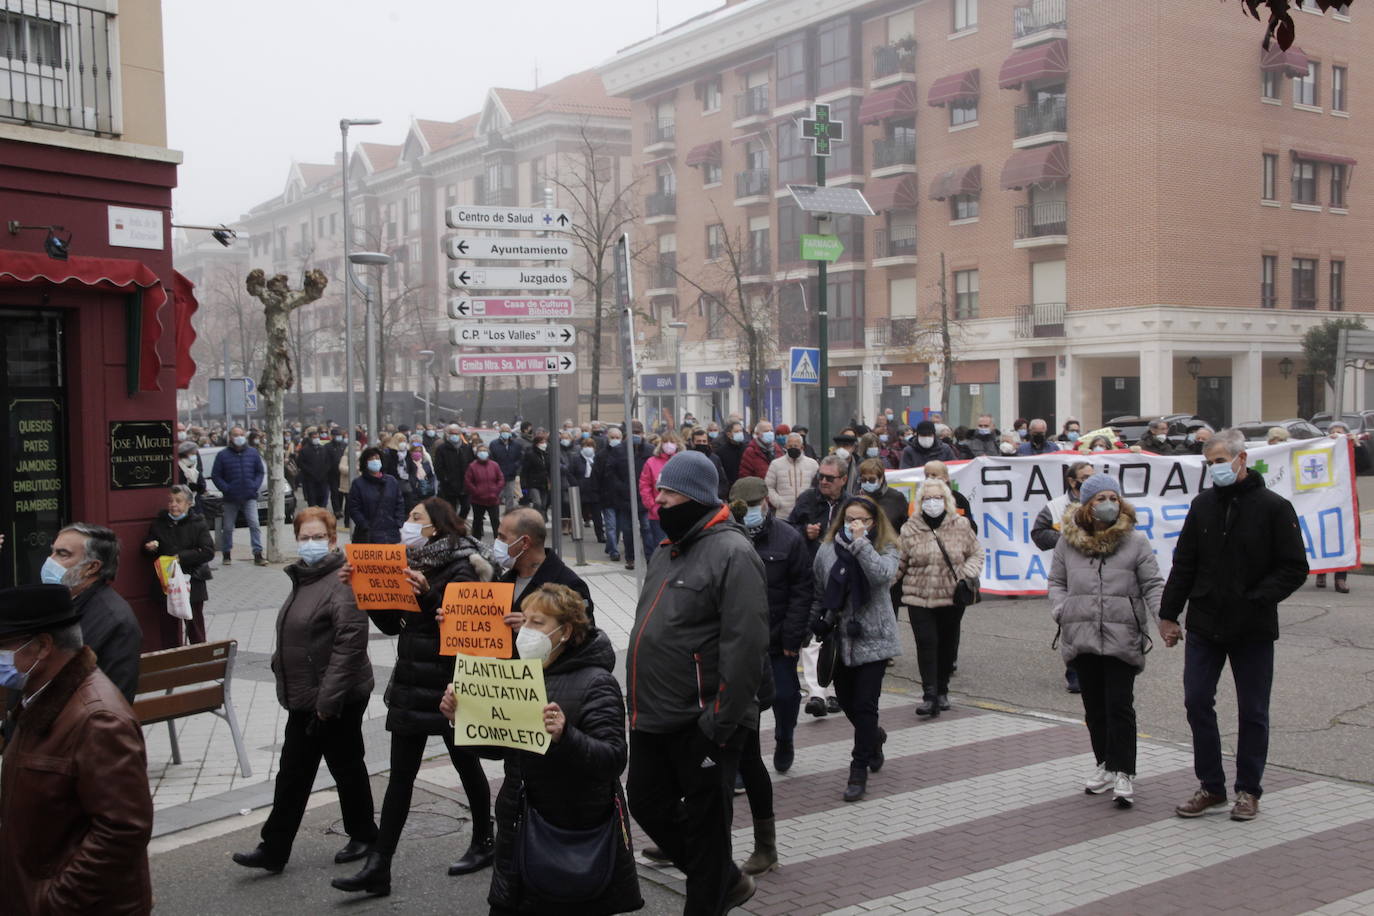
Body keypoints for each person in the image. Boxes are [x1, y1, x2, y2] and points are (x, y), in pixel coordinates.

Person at [439, 585, 643, 915]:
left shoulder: (596, 682)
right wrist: (459, 719)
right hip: (518, 825)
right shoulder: (522, 676)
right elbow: (503, 746)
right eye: (526, 621)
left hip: (570, 832)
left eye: (539, 622)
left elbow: (613, 759)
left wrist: (566, 735)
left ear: (567, 631)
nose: (526, 631)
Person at [626, 449, 767, 915]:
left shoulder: (734, 552)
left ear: (693, 496)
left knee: (708, 830)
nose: (658, 500)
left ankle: (711, 890)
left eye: (667, 492)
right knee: (645, 801)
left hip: (704, 720)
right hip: (655, 715)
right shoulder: (667, 550)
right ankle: (724, 879)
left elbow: (745, 646)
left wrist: (720, 723)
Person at [333, 498, 497, 896]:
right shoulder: (412, 563)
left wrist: (427, 597)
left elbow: (463, 630)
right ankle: (379, 866)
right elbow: (393, 624)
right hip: (410, 683)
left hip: (449, 687)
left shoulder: (463, 565)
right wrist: (366, 590)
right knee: (400, 778)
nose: (407, 523)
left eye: (415, 518)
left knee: (467, 764)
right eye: (407, 516)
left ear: (437, 525)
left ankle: (484, 840)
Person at [1160, 428, 1308, 822]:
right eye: (1209, 464)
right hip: (1206, 622)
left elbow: (1294, 568)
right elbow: (1185, 562)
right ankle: (1212, 786)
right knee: (1196, 700)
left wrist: (1257, 597)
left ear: (1242, 460)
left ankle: (1249, 791)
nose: (1215, 470)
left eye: (1220, 462)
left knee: (1253, 710)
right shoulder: (1202, 505)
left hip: (1253, 628)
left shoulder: (1274, 507)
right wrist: (1168, 614)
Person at [233, 508, 377, 873]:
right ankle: (276, 848)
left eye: (318, 537)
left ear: (333, 540)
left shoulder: (343, 581)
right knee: (296, 772)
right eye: (304, 537)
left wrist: (327, 703)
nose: (310, 544)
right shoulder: (306, 578)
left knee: (342, 767)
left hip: (335, 698)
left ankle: (362, 835)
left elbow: (350, 644)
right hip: (306, 696)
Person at [0, 584, 154, 915]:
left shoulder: (98, 719)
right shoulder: (38, 697)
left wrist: (54, 901)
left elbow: (123, 830)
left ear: (42, 646)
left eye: (2, 647)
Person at [1048, 475, 1163, 808]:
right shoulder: (1067, 542)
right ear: (1087, 505)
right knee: (1094, 708)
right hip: (1080, 634)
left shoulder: (1136, 541)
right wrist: (1062, 609)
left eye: (1113, 497)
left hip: (1122, 634)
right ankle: (1105, 764)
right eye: (1101, 498)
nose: (1109, 503)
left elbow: (1153, 584)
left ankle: (1124, 771)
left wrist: (1164, 619)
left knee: (1119, 705)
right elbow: (1056, 582)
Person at [723, 476, 808, 881]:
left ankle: (786, 736)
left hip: (774, 645)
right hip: (735, 653)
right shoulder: (723, 539)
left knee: (787, 699)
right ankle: (741, 768)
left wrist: (793, 637)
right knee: (739, 729)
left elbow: (801, 590)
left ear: (767, 503)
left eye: (755, 503)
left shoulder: (787, 539)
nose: (750, 510)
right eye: (744, 504)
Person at [809, 494, 902, 802]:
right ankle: (873, 737)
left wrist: (861, 544)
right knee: (848, 703)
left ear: (874, 522)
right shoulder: (826, 550)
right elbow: (820, 590)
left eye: (862, 520)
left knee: (865, 705)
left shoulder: (886, 546)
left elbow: (882, 577)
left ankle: (857, 770)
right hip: (841, 640)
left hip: (874, 638)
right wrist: (817, 621)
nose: (855, 525)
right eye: (850, 519)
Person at [897, 478, 984, 718]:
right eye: (927, 498)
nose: (932, 503)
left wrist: (965, 575)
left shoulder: (961, 525)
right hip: (918, 596)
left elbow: (976, 553)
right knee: (926, 643)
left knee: (946, 644)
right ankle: (929, 695)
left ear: (946, 500)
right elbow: (900, 563)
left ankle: (943, 689)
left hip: (951, 596)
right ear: (919, 502)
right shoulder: (909, 528)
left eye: (937, 498)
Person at [42, 523, 142, 702]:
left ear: (91, 567)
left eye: (62, 554)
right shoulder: (57, 604)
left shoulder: (115, 620)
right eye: (53, 551)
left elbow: (112, 701)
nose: (50, 560)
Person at [788, 455, 849, 717]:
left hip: (841, 576)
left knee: (839, 633)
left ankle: (835, 691)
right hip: (811, 575)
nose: (823, 481)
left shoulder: (851, 505)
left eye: (829, 478)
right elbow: (789, 530)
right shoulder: (807, 500)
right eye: (820, 477)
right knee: (812, 633)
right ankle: (816, 693)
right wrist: (805, 532)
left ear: (843, 480)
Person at [1030, 461, 1094, 692]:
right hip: (1071, 577)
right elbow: (1038, 533)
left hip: (1100, 575)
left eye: (1092, 476)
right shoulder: (1056, 507)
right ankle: (1075, 674)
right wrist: (1068, 541)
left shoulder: (1104, 503)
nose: (1089, 481)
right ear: (1072, 480)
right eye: (1085, 477)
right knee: (1074, 625)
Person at [142, 485, 216, 644]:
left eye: (178, 501)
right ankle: (172, 660)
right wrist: (150, 546)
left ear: (189, 504)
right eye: (170, 501)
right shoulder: (160, 523)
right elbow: (148, 546)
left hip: (192, 580)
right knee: (168, 627)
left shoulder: (198, 523)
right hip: (166, 582)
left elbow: (208, 551)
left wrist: (181, 557)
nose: (173, 505)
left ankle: (200, 659)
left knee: (194, 625)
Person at [495, 508, 595, 626]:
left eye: (502, 537)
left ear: (525, 542)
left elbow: (585, 636)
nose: (497, 542)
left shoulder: (569, 585)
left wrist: (536, 626)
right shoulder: (505, 580)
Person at [210, 425, 266, 565]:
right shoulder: (222, 455)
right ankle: (227, 553)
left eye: (241, 434)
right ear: (230, 437)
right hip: (231, 498)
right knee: (228, 527)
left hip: (249, 496)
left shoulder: (253, 453)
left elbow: (260, 472)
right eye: (235, 435)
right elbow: (216, 476)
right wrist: (226, 488)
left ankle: (258, 554)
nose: (239, 437)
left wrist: (254, 485)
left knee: (254, 524)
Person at [1316, 422, 1351, 593]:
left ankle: (1340, 579)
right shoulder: (1324, 449)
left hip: (1344, 499)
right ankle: (1321, 573)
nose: (1337, 434)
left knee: (1343, 536)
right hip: (1325, 498)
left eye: (1340, 432)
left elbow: (1366, 464)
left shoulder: (1349, 448)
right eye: (1334, 431)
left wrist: (1354, 445)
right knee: (1323, 533)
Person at [597, 427, 638, 569]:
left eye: (617, 437)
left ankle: (610, 546)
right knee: (611, 525)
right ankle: (614, 551)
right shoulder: (602, 455)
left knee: (619, 527)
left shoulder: (626, 454)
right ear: (607, 438)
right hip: (607, 496)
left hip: (621, 497)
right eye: (612, 437)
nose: (614, 440)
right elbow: (597, 476)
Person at [347, 446, 406, 544]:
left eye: (377, 458)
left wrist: (398, 522)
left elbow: (399, 503)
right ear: (365, 462)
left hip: (390, 535)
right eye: (371, 459)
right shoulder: (358, 483)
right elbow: (354, 508)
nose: (375, 461)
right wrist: (364, 525)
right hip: (367, 536)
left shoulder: (391, 481)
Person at [637, 431, 681, 556]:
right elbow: (644, 485)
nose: (669, 445)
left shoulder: (682, 461)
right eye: (665, 442)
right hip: (657, 512)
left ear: (678, 444)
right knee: (660, 546)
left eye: (672, 442)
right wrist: (651, 505)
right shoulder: (651, 462)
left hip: (679, 511)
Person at [765, 432, 818, 518]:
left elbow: (817, 486)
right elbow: (768, 487)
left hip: (806, 515)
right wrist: (778, 502)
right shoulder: (776, 464)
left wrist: (811, 502)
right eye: (790, 446)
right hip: (783, 515)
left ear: (802, 447)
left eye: (796, 446)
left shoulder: (813, 464)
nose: (793, 448)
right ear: (785, 447)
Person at [464, 441, 505, 540]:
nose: (483, 453)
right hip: (478, 500)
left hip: (493, 499)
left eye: (484, 451)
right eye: (480, 451)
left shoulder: (494, 465)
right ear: (477, 453)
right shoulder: (472, 466)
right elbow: (468, 481)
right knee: (477, 522)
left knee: (495, 522)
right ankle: (476, 543)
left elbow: (501, 479)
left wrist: (496, 491)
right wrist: (476, 492)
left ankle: (499, 543)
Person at [857, 457, 909, 535]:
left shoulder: (897, 498)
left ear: (881, 478)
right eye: (864, 480)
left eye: (872, 480)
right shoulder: (857, 498)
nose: (867, 483)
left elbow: (905, 525)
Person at [570, 436, 607, 543]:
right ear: (582, 447)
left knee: (597, 515)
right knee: (578, 513)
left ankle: (600, 535)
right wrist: (576, 484)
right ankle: (576, 534)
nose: (588, 448)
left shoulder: (597, 459)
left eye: (590, 446)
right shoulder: (576, 459)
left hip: (594, 490)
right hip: (580, 490)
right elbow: (570, 473)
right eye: (586, 446)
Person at [434, 423, 471, 519]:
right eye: (452, 433)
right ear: (448, 434)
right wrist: (445, 479)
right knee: (451, 510)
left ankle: (459, 522)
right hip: (449, 485)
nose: (454, 435)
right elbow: (438, 467)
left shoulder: (466, 447)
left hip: (464, 484)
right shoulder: (442, 449)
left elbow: (471, 464)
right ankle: (453, 528)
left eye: (456, 433)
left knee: (466, 507)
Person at [491, 424, 525, 513]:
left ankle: (508, 514)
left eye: (507, 431)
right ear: (500, 432)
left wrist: (515, 467)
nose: (505, 433)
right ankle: (495, 513)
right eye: (503, 431)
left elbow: (520, 458)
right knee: (497, 495)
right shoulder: (494, 444)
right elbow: (492, 459)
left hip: (511, 475)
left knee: (510, 496)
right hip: (498, 475)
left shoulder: (516, 445)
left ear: (510, 432)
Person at [518, 432, 553, 517]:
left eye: (544, 442)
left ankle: (540, 519)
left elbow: (549, 469)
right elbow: (525, 470)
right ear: (536, 443)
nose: (544, 444)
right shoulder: (530, 454)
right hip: (533, 483)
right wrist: (524, 486)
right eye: (541, 442)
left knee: (544, 504)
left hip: (544, 484)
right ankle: (535, 518)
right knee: (537, 503)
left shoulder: (547, 454)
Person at [297, 427, 333, 508]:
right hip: (310, 479)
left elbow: (328, 462)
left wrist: (325, 471)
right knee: (312, 499)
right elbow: (300, 463)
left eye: (317, 437)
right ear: (310, 438)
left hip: (323, 478)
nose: (316, 439)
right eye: (314, 437)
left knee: (323, 498)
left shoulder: (323, 449)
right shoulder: (304, 450)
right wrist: (310, 471)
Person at [397, 439, 438, 511]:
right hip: (412, 494)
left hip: (425, 493)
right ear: (411, 452)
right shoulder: (407, 463)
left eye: (419, 451)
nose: (417, 453)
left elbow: (431, 476)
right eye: (415, 451)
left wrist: (430, 487)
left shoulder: (426, 463)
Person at [176, 439, 208, 509]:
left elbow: (202, 484)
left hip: (196, 504)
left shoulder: (195, 467)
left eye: (195, 454)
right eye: (192, 454)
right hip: (182, 505)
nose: (195, 456)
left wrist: (199, 487)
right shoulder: (178, 467)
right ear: (185, 454)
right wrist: (189, 487)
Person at [715, 419, 747, 484]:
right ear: (729, 434)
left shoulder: (747, 449)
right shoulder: (721, 451)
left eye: (741, 431)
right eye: (737, 431)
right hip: (729, 487)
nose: (740, 433)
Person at [326, 429, 349, 517]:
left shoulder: (345, 445)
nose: (338, 437)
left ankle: (340, 508)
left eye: (339, 435)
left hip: (343, 474)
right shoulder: (327, 447)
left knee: (342, 493)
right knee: (335, 492)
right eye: (336, 435)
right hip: (333, 474)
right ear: (332, 436)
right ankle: (337, 510)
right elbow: (326, 461)